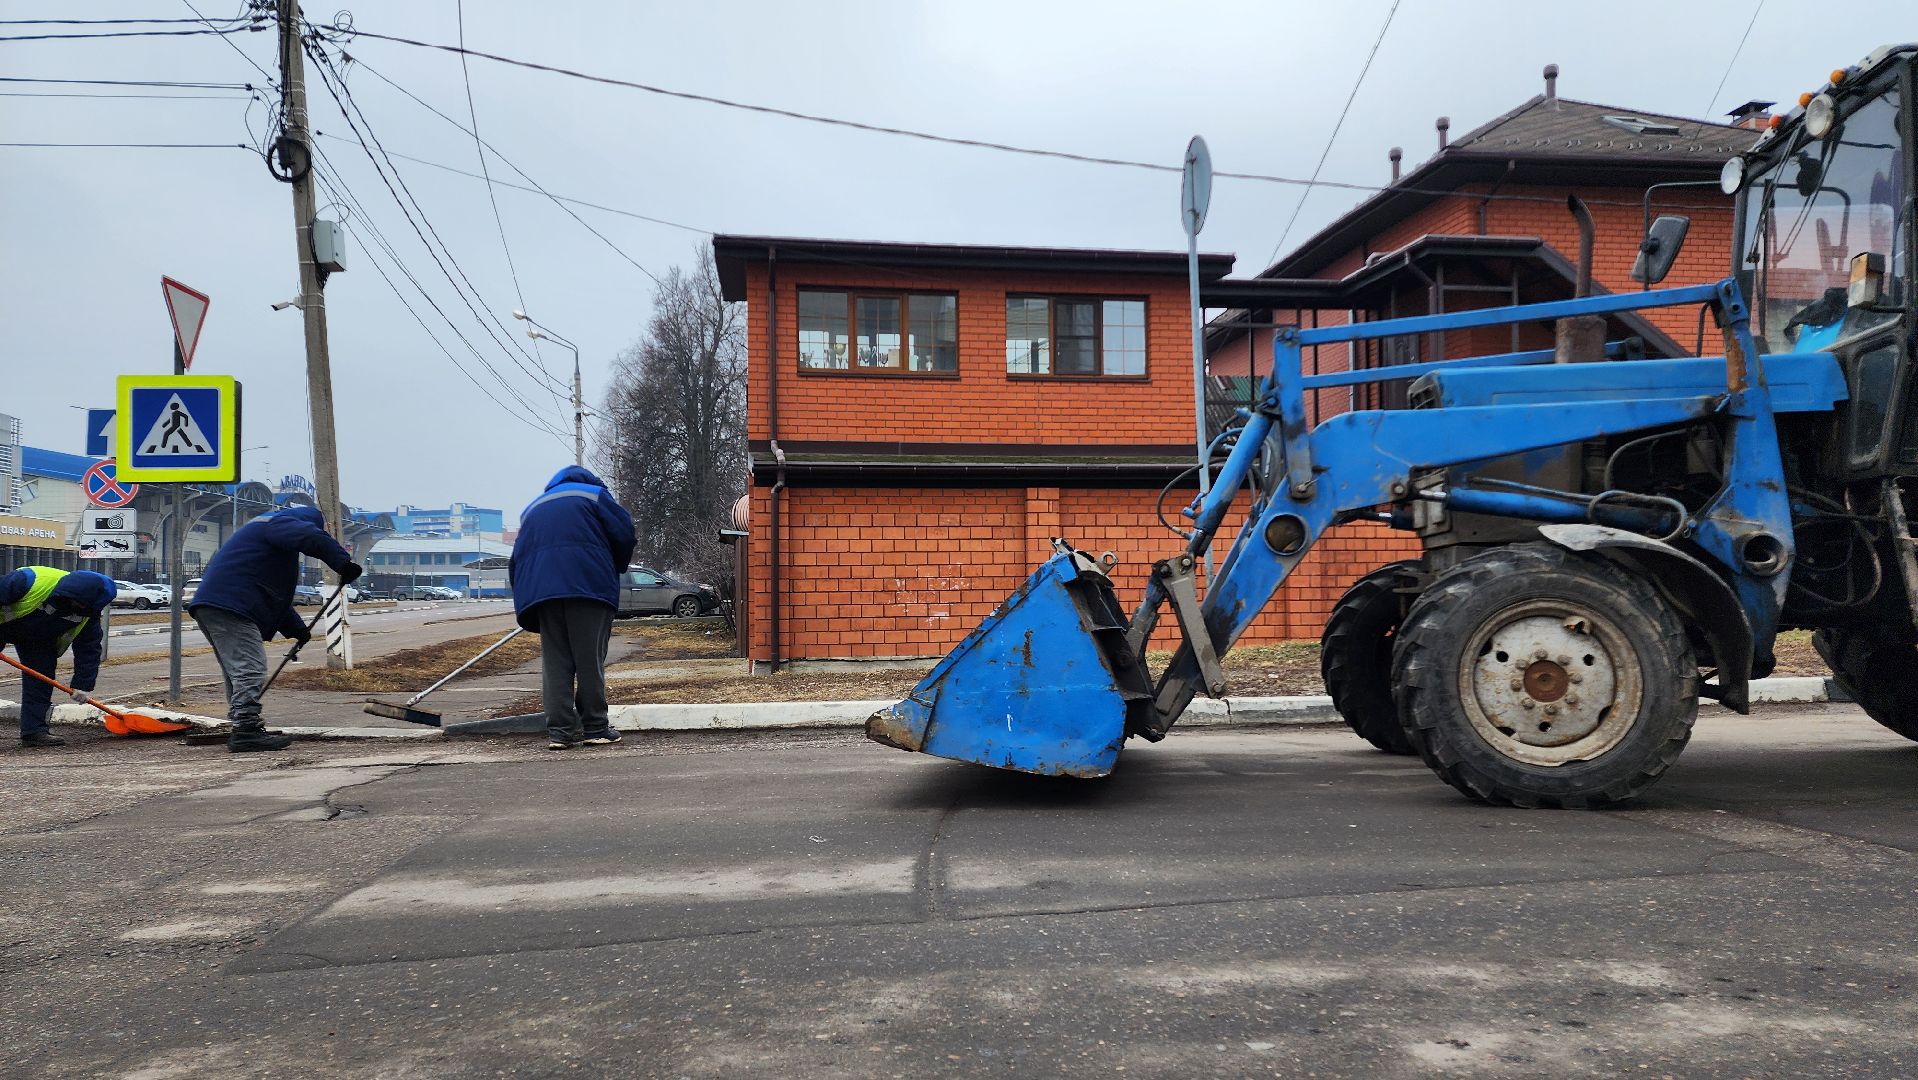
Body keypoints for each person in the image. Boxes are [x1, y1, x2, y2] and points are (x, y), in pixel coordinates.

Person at [189, 505, 360, 752]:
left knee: (237, 672)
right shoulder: (279, 523)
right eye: (324, 527)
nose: (322, 531)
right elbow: (310, 536)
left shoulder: (268, 539)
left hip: (218, 604)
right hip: (231, 606)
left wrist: (296, 629)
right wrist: (343, 563)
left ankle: (244, 725)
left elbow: (272, 593)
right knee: (250, 669)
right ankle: (246, 730)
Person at [510, 465, 636, 751]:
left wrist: (527, 598)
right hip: (588, 587)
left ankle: (560, 732)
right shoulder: (595, 496)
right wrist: (614, 565)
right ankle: (595, 727)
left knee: (555, 664)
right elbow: (624, 533)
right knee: (588, 660)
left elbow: (517, 558)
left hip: (545, 595)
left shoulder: (534, 507)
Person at [0, 567, 116, 748]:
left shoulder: (88, 614)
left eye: (83, 606)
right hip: (4, 625)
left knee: (41, 681)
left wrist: (83, 684)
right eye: (76, 603)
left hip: (39, 639)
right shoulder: (28, 580)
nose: (78, 608)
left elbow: (89, 648)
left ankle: (34, 732)